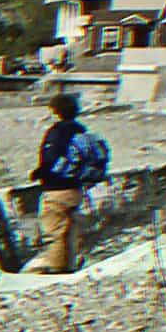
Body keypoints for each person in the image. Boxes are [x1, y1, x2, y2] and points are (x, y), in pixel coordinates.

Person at [25, 84, 104, 274]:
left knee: (55, 231)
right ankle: (70, 263)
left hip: (57, 189)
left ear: (55, 111)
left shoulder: (57, 132)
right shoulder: (81, 130)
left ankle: (58, 269)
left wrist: (39, 173)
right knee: (70, 229)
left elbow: (52, 161)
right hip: (76, 188)